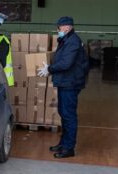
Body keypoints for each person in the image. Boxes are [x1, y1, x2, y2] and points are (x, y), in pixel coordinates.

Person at [37, 16, 89, 158]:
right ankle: (63, 143)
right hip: (65, 82)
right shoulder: (66, 40)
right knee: (63, 113)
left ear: (67, 27)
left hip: (70, 83)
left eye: (58, 28)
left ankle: (68, 148)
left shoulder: (72, 41)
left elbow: (66, 63)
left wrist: (50, 69)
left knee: (69, 115)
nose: (57, 30)